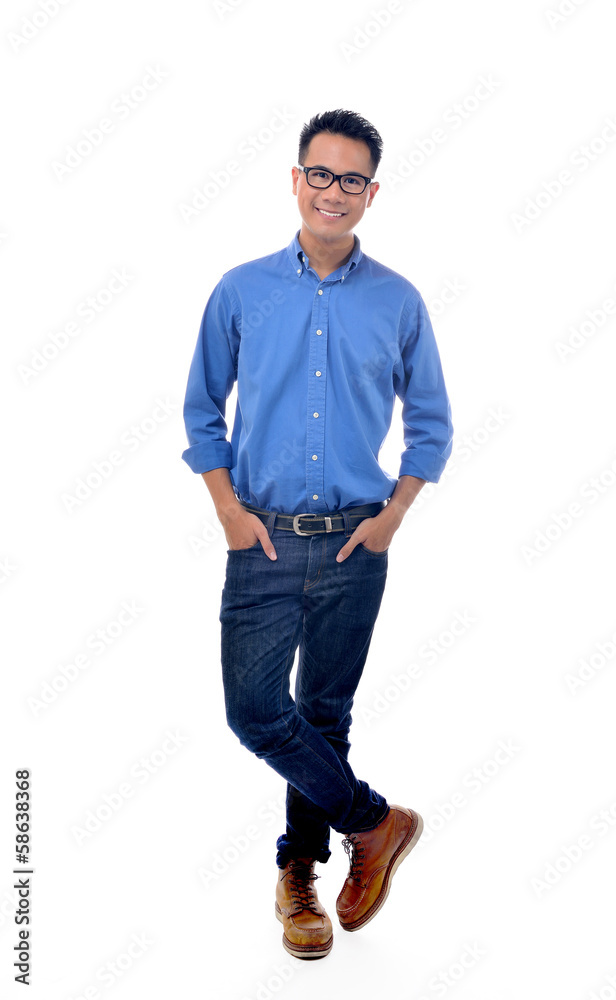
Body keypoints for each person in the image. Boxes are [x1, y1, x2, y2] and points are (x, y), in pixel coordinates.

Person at [181, 109, 453, 960]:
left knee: (323, 714)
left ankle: (298, 876)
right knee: (257, 712)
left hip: (352, 544)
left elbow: (431, 426)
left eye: (350, 180)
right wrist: (227, 512)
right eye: (319, 174)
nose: (332, 192)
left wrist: (391, 518)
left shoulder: (397, 300)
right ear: (294, 180)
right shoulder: (240, 290)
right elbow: (201, 412)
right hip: (258, 539)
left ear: (370, 194)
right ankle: (374, 823)